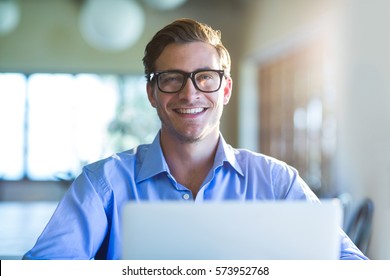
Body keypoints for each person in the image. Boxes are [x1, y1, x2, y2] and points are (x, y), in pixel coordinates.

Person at [23, 18, 367, 260]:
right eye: (172, 78)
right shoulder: (103, 185)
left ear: (226, 89)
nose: (190, 94)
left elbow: (351, 267)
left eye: (205, 77)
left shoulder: (276, 182)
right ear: (152, 92)